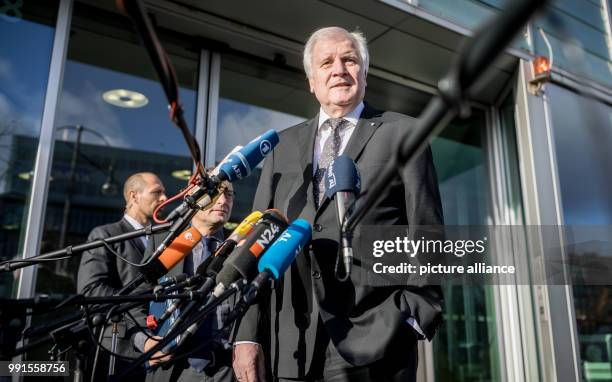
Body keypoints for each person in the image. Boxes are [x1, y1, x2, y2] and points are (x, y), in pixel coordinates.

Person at [233, 26, 444, 382]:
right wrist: (247, 333)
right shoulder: (280, 148)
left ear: (364, 72)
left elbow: (427, 230)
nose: (339, 69)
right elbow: (258, 242)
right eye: (326, 62)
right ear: (311, 80)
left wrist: (416, 314)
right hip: (293, 344)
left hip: (378, 338)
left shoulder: (404, 133)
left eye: (350, 59)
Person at [133, 182, 236, 382]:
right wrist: (146, 343)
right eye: (216, 194)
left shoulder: (240, 244)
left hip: (225, 368)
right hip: (171, 368)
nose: (223, 201)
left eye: (229, 194)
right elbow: (135, 301)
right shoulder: (164, 241)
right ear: (193, 196)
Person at [77, 171, 167, 380]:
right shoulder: (106, 235)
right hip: (119, 350)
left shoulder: (163, 239)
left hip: (161, 347)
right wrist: (140, 322)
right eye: (157, 192)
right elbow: (91, 291)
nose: (164, 198)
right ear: (133, 196)